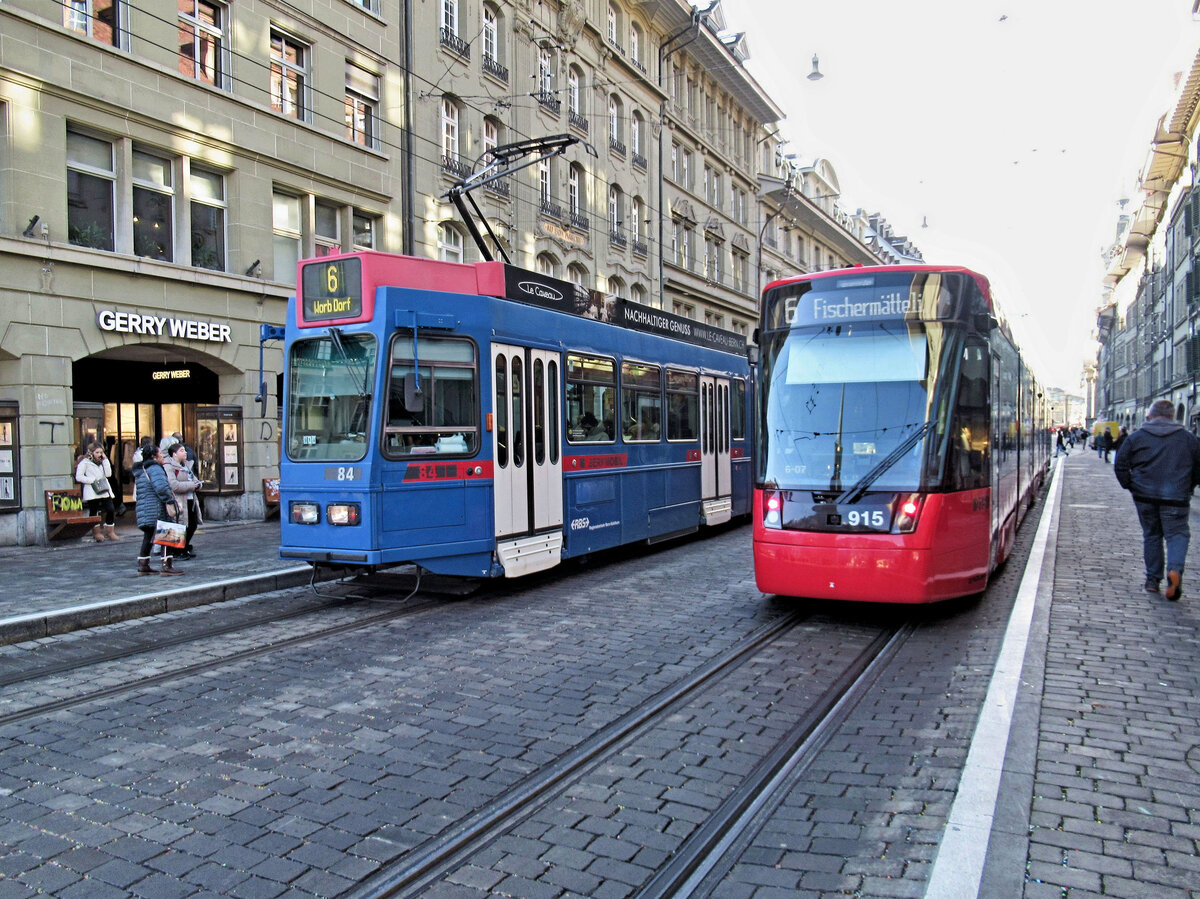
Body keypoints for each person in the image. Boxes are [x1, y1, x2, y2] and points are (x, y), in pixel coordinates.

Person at [1114, 399, 1200, 600]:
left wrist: (1131, 485)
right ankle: (1175, 571)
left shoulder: (1137, 437)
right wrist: (1189, 486)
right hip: (1176, 496)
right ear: (1172, 416)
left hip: (1145, 496)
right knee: (1177, 534)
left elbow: (1120, 464)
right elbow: (1199, 468)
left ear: (1150, 416)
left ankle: (1153, 580)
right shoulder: (1188, 439)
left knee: (1152, 535)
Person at [133, 446, 183, 576]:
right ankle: (167, 566)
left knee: (148, 535)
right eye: (160, 453)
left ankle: (143, 565)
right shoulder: (155, 468)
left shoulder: (141, 470)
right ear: (154, 457)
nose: (163, 456)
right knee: (167, 533)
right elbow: (161, 487)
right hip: (156, 507)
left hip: (146, 508)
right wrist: (170, 500)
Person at [74, 442, 119, 542]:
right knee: (94, 511)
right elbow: (79, 476)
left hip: (103, 488)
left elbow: (108, 474)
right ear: (91, 452)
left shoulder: (103, 461)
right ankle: (96, 532)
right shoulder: (85, 462)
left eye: (101, 452)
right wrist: (91, 480)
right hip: (92, 489)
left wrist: (106, 460)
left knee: (110, 508)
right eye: (97, 452)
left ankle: (110, 531)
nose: (99, 454)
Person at [166, 441, 202, 559]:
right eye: (181, 451)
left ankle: (184, 547)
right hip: (178, 501)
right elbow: (174, 485)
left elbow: (194, 479)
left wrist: (198, 484)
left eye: (185, 450)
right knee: (179, 525)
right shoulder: (169, 466)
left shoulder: (186, 466)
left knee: (192, 524)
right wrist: (192, 485)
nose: (185, 452)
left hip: (191, 499)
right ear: (174, 454)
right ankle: (176, 551)